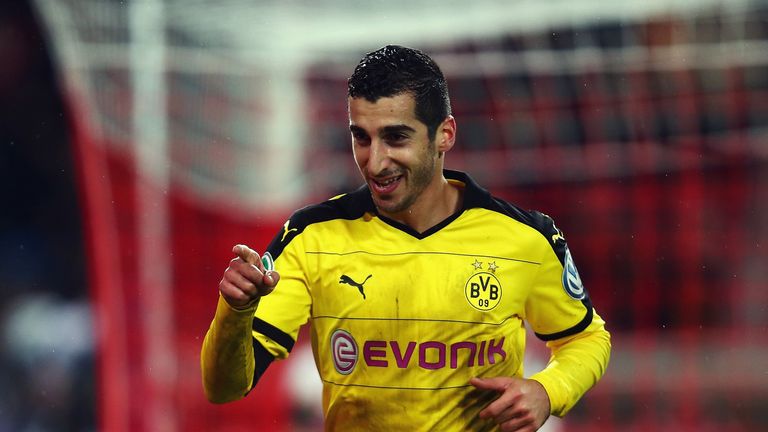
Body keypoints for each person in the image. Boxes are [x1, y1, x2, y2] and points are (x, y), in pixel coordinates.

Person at [201, 45, 611, 431]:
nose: (375, 162)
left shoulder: (526, 238)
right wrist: (236, 313)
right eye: (361, 137)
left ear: (444, 135)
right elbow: (224, 389)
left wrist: (547, 390)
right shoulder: (312, 236)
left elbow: (587, 339)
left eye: (396, 137)